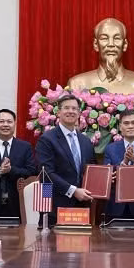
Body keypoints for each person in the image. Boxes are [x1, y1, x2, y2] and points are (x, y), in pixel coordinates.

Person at [36, 95, 96, 225]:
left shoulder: (85, 141)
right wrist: (73, 191)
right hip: (55, 206)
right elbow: (46, 173)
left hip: (82, 208)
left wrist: (106, 178)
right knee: (52, 245)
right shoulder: (47, 139)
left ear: (79, 113)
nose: (71, 111)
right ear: (58, 112)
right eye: (66, 108)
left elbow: (92, 169)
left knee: (82, 244)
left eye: (74, 108)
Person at [67, 18, 134, 94]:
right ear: (96, 44)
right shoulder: (77, 85)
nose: (111, 44)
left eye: (117, 38)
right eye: (104, 38)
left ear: (125, 45)